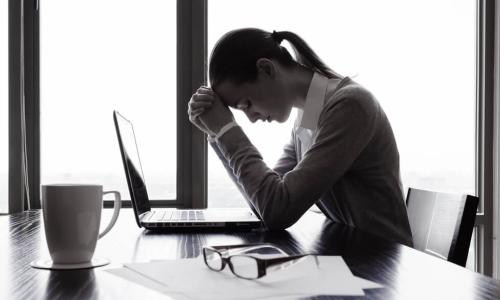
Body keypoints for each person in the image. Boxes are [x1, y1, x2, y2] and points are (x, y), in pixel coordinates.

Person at [187, 28, 413, 246]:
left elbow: (278, 210)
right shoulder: (308, 117)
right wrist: (217, 134)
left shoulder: (350, 105)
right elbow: (265, 203)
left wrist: (227, 131)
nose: (252, 118)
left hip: (383, 265)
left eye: (247, 104)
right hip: (351, 256)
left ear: (266, 69)